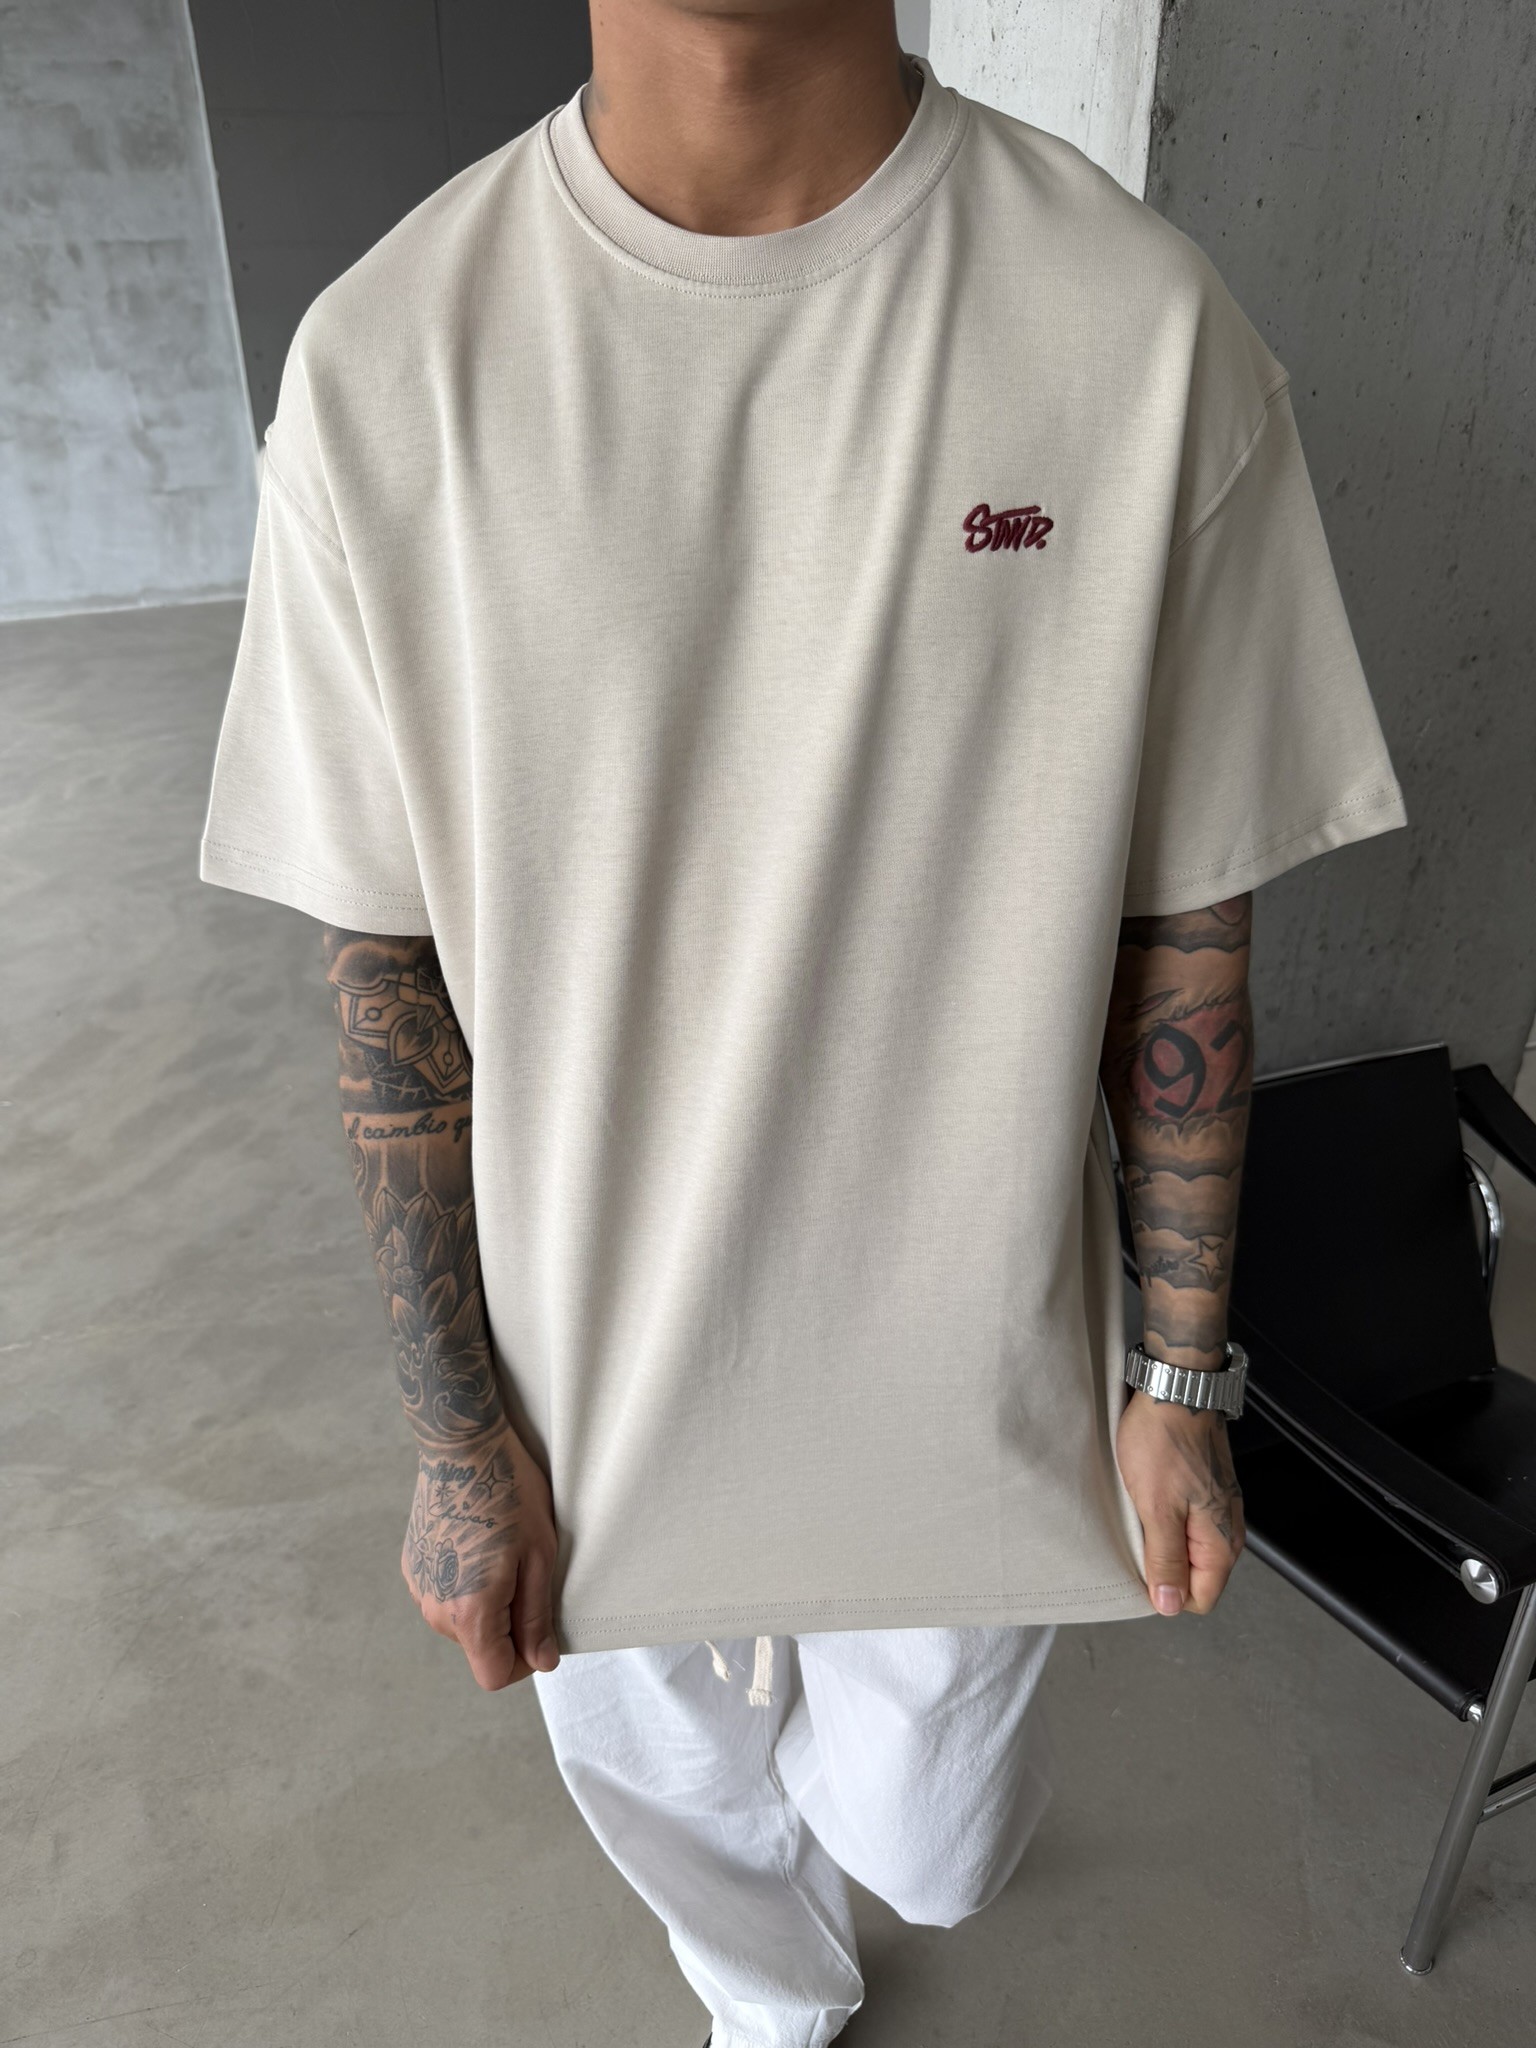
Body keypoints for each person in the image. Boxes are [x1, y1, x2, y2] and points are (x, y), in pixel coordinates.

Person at [197, 3, 1409, 2042]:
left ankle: (861, 1869)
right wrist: (454, 1434)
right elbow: (387, 981)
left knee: (938, 1844)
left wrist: (1183, 1371)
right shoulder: (390, 363)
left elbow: (1185, 925)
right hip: (589, 1384)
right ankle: (767, 1997)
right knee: (678, 1813)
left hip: (973, 1376)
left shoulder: (1133, 332)